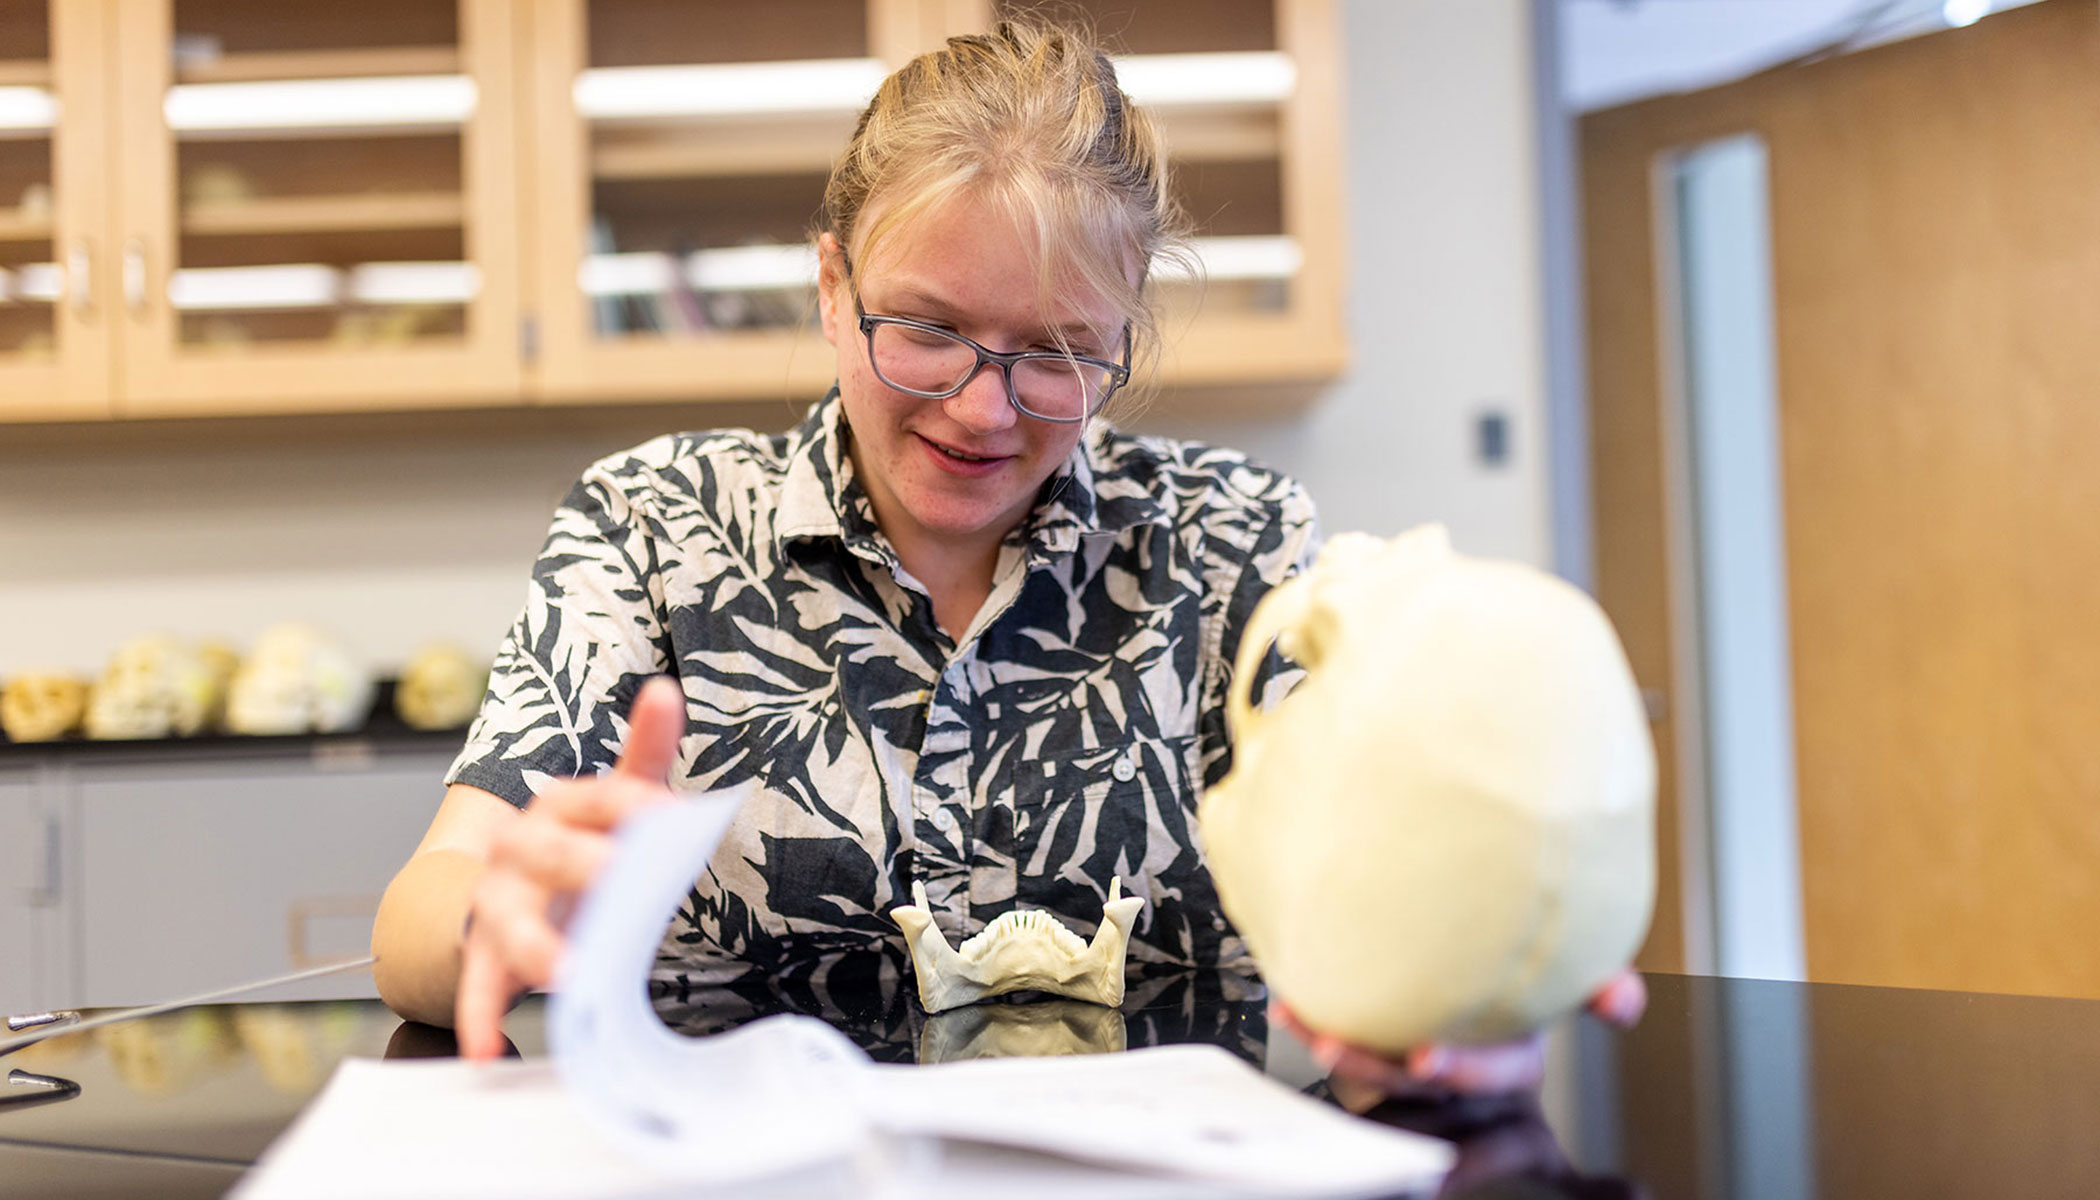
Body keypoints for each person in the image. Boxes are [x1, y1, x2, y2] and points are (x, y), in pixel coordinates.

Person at [371, 20, 1640, 1094]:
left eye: (1060, 353)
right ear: (830, 286)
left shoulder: (1238, 542)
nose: (985, 410)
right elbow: (425, 912)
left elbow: (1385, 869)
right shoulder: (654, 524)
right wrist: (505, 913)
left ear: (1127, 336)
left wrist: (1475, 957)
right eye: (925, 329)